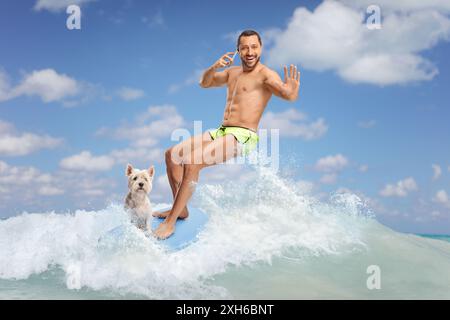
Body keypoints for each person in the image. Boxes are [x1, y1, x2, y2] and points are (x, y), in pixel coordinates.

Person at [153, 29, 301, 239]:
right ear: (238, 50)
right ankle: (181, 210)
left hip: (244, 135)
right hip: (223, 130)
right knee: (172, 154)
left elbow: (287, 94)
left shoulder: (266, 75)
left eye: (254, 47)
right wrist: (214, 67)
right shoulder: (232, 73)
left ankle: (170, 223)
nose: (250, 52)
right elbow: (204, 83)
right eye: (245, 48)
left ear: (261, 48)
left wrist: (292, 89)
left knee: (192, 161)